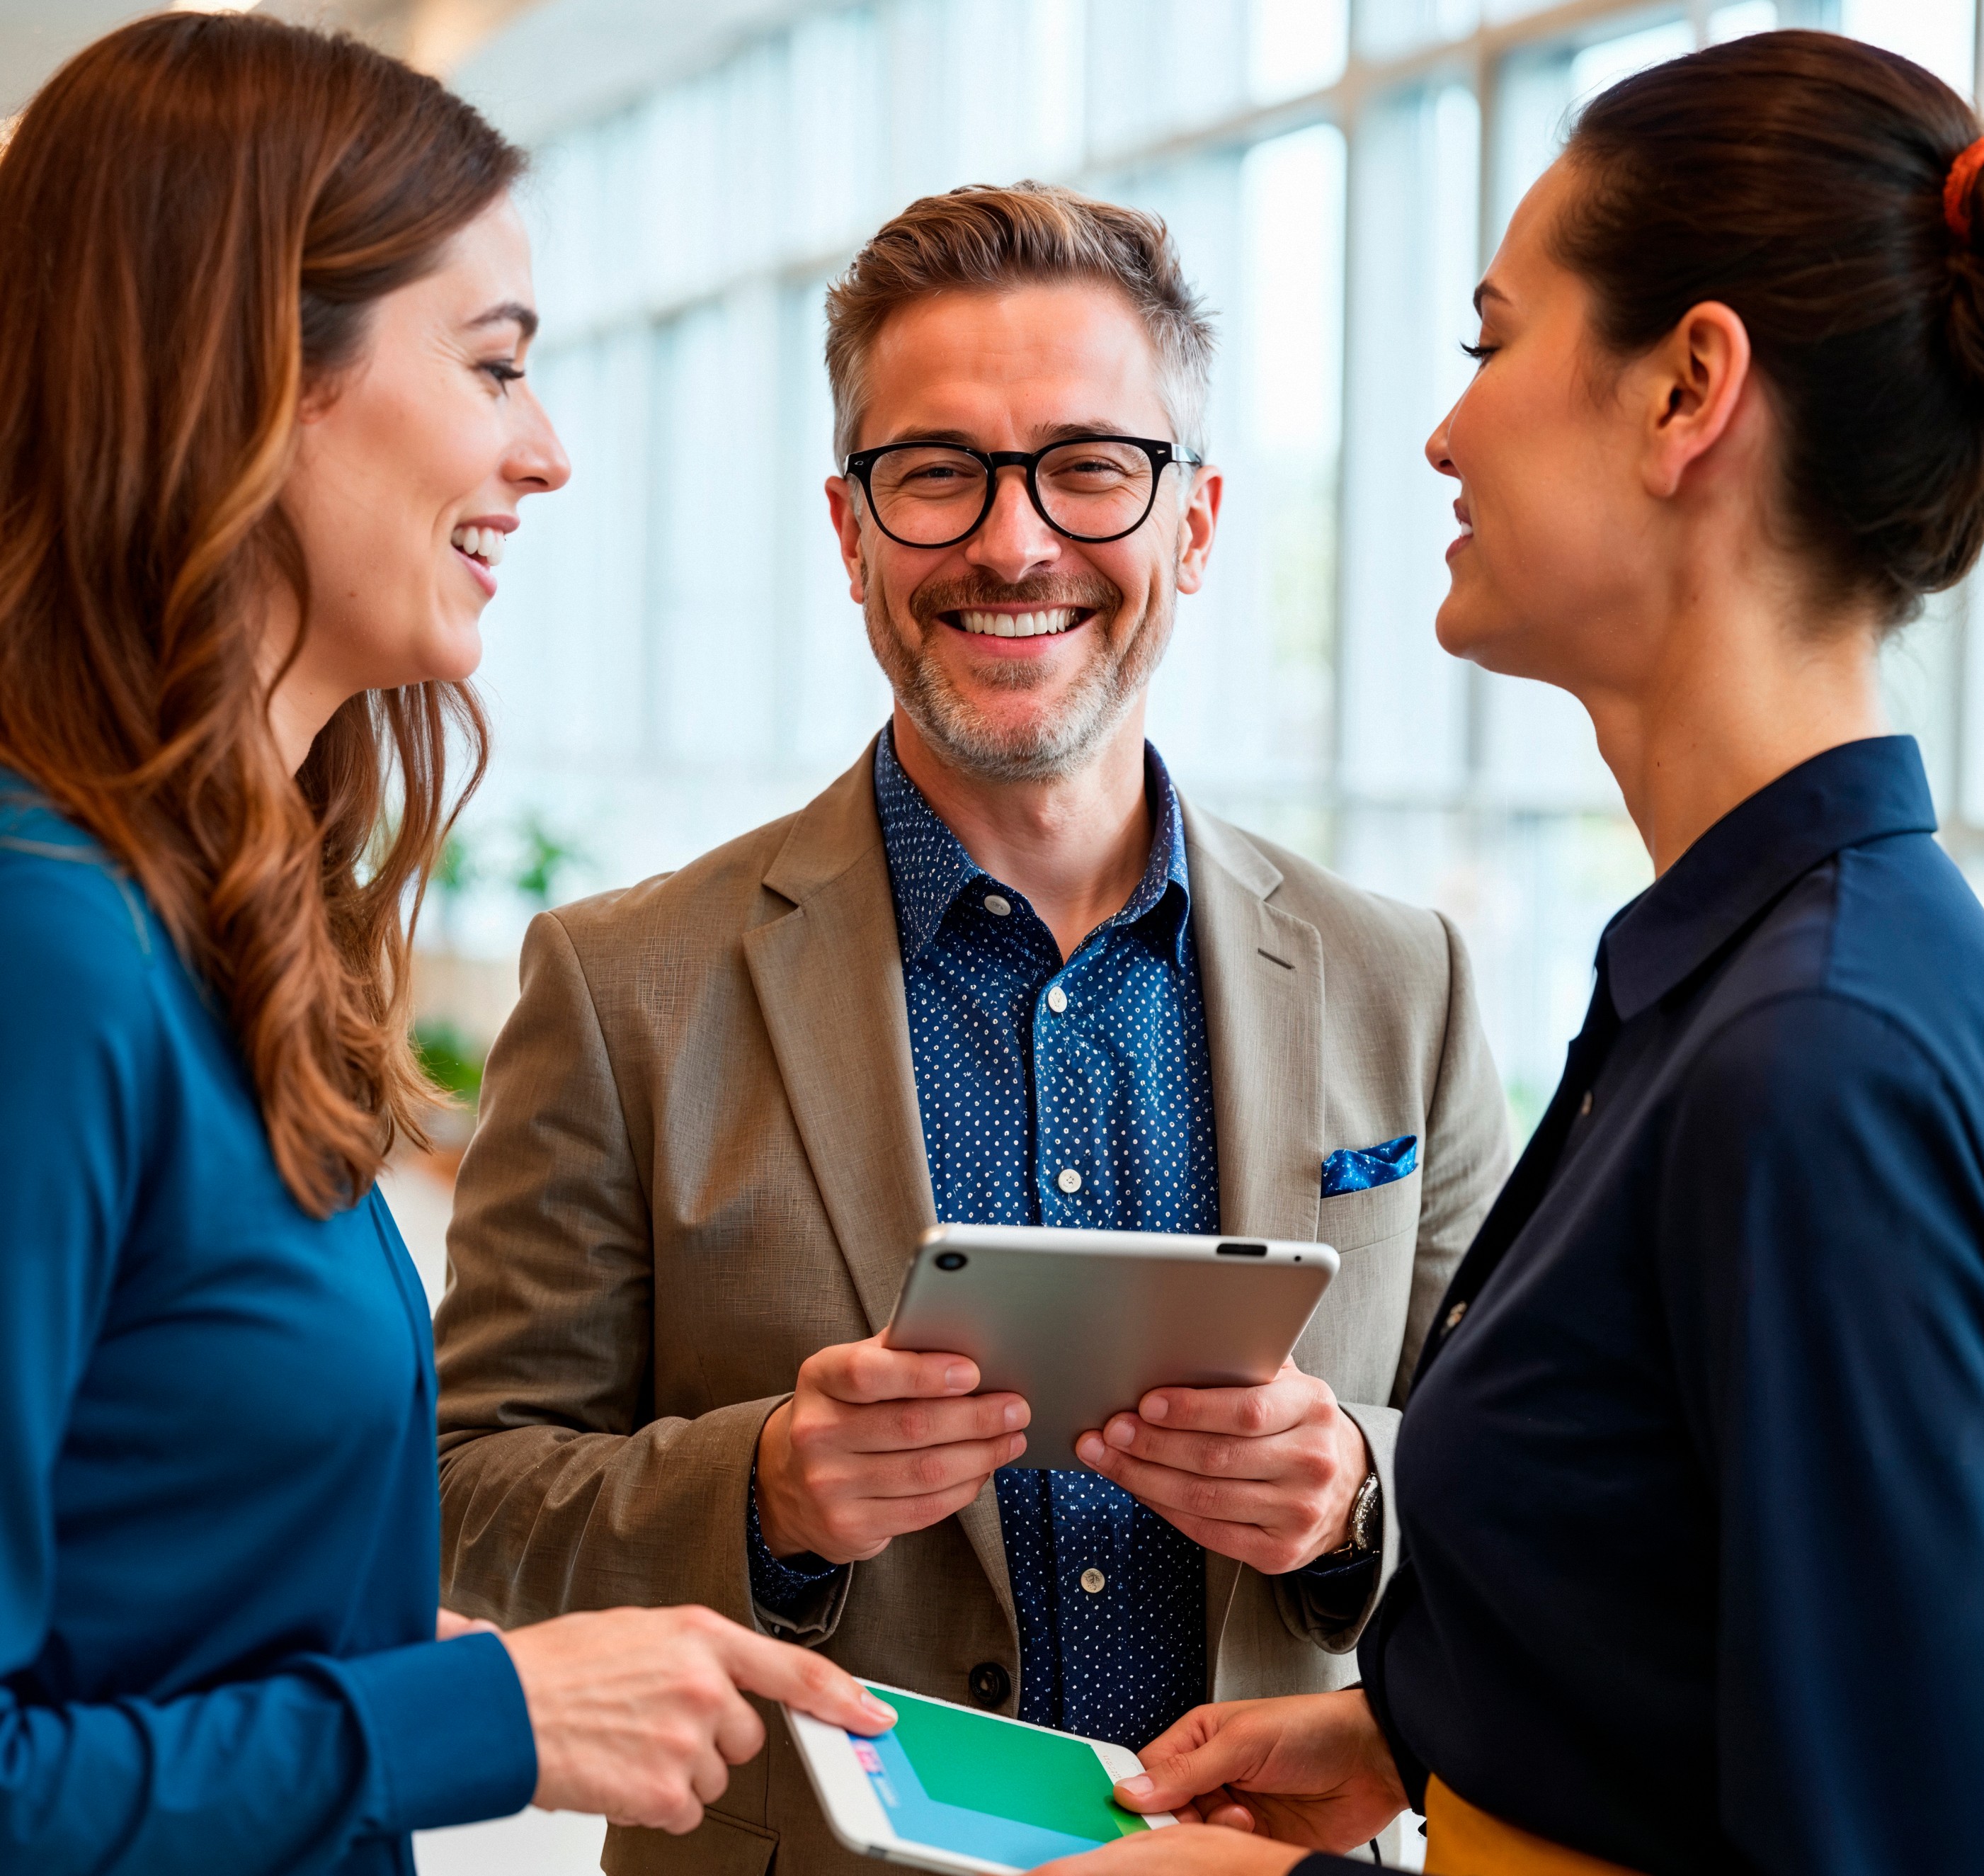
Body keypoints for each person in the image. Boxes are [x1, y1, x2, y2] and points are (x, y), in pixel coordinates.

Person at [432, 181, 1512, 1873]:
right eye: (938, 472)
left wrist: (1359, 1492)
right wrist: (768, 1491)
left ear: (1199, 525)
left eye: (1091, 466)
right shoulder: (622, 985)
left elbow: (1530, 1483)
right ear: (852, 530)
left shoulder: (1407, 983)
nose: (1014, 543)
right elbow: (468, 1492)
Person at [1027, 28, 1984, 1876]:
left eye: (1489, 340)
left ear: (1686, 387)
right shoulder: (1735, 979)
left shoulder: (1816, 1056)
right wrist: (1419, 1729)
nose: (1443, 427)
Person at [0, 18, 892, 1875]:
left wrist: (481, 1660)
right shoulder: (46, 954)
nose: (545, 454)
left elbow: (141, 1587)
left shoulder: (212, 932)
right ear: (250, 370)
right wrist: (481, 1719)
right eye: (495, 365)